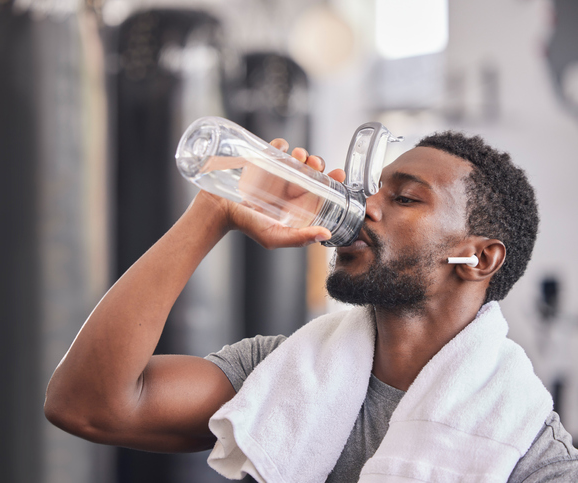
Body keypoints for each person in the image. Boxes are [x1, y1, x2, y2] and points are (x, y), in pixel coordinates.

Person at [44, 131, 578, 482]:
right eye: (374, 190)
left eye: (406, 198)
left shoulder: (528, 450)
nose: (365, 205)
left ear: (478, 258)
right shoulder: (282, 372)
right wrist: (212, 213)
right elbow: (87, 405)